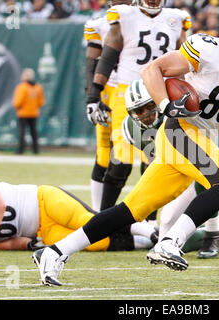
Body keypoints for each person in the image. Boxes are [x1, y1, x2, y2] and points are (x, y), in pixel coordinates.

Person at [32, 4, 219, 286]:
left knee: (130, 211)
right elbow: (152, 70)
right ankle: (170, 242)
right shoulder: (207, 49)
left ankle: (56, 251)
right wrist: (166, 105)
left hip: (202, 140)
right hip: (180, 130)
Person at [85, 0, 191, 213]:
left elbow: (183, 61)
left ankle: (149, 221)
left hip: (159, 93)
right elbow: (108, 57)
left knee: (153, 159)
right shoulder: (123, 15)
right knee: (121, 158)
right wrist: (94, 94)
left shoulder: (177, 18)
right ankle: (103, 218)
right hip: (127, 91)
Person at [0, 171, 157, 253]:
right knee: (94, 243)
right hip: (41, 232)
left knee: (88, 222)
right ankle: (148, 243)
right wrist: (27, 244)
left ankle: (150, 232)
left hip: (42, 200)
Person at [83, 0, 131, 212]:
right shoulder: (100, 24)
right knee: (104, 149)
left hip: (139, 90)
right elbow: (92, 63)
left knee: (146, 152)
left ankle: (149, 219)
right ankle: (97, 211)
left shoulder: (146, 21)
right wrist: (92, 96)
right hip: (110, 91)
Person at [12, 68, 45, 155]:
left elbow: (18, 102)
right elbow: (41, 102)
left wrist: (17, 107)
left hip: (23, 113)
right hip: (34, 113)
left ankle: (20, 150)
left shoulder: (22, 87)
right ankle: (36, 150)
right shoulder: (38, 87)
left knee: (22, 133)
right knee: (34, 132)